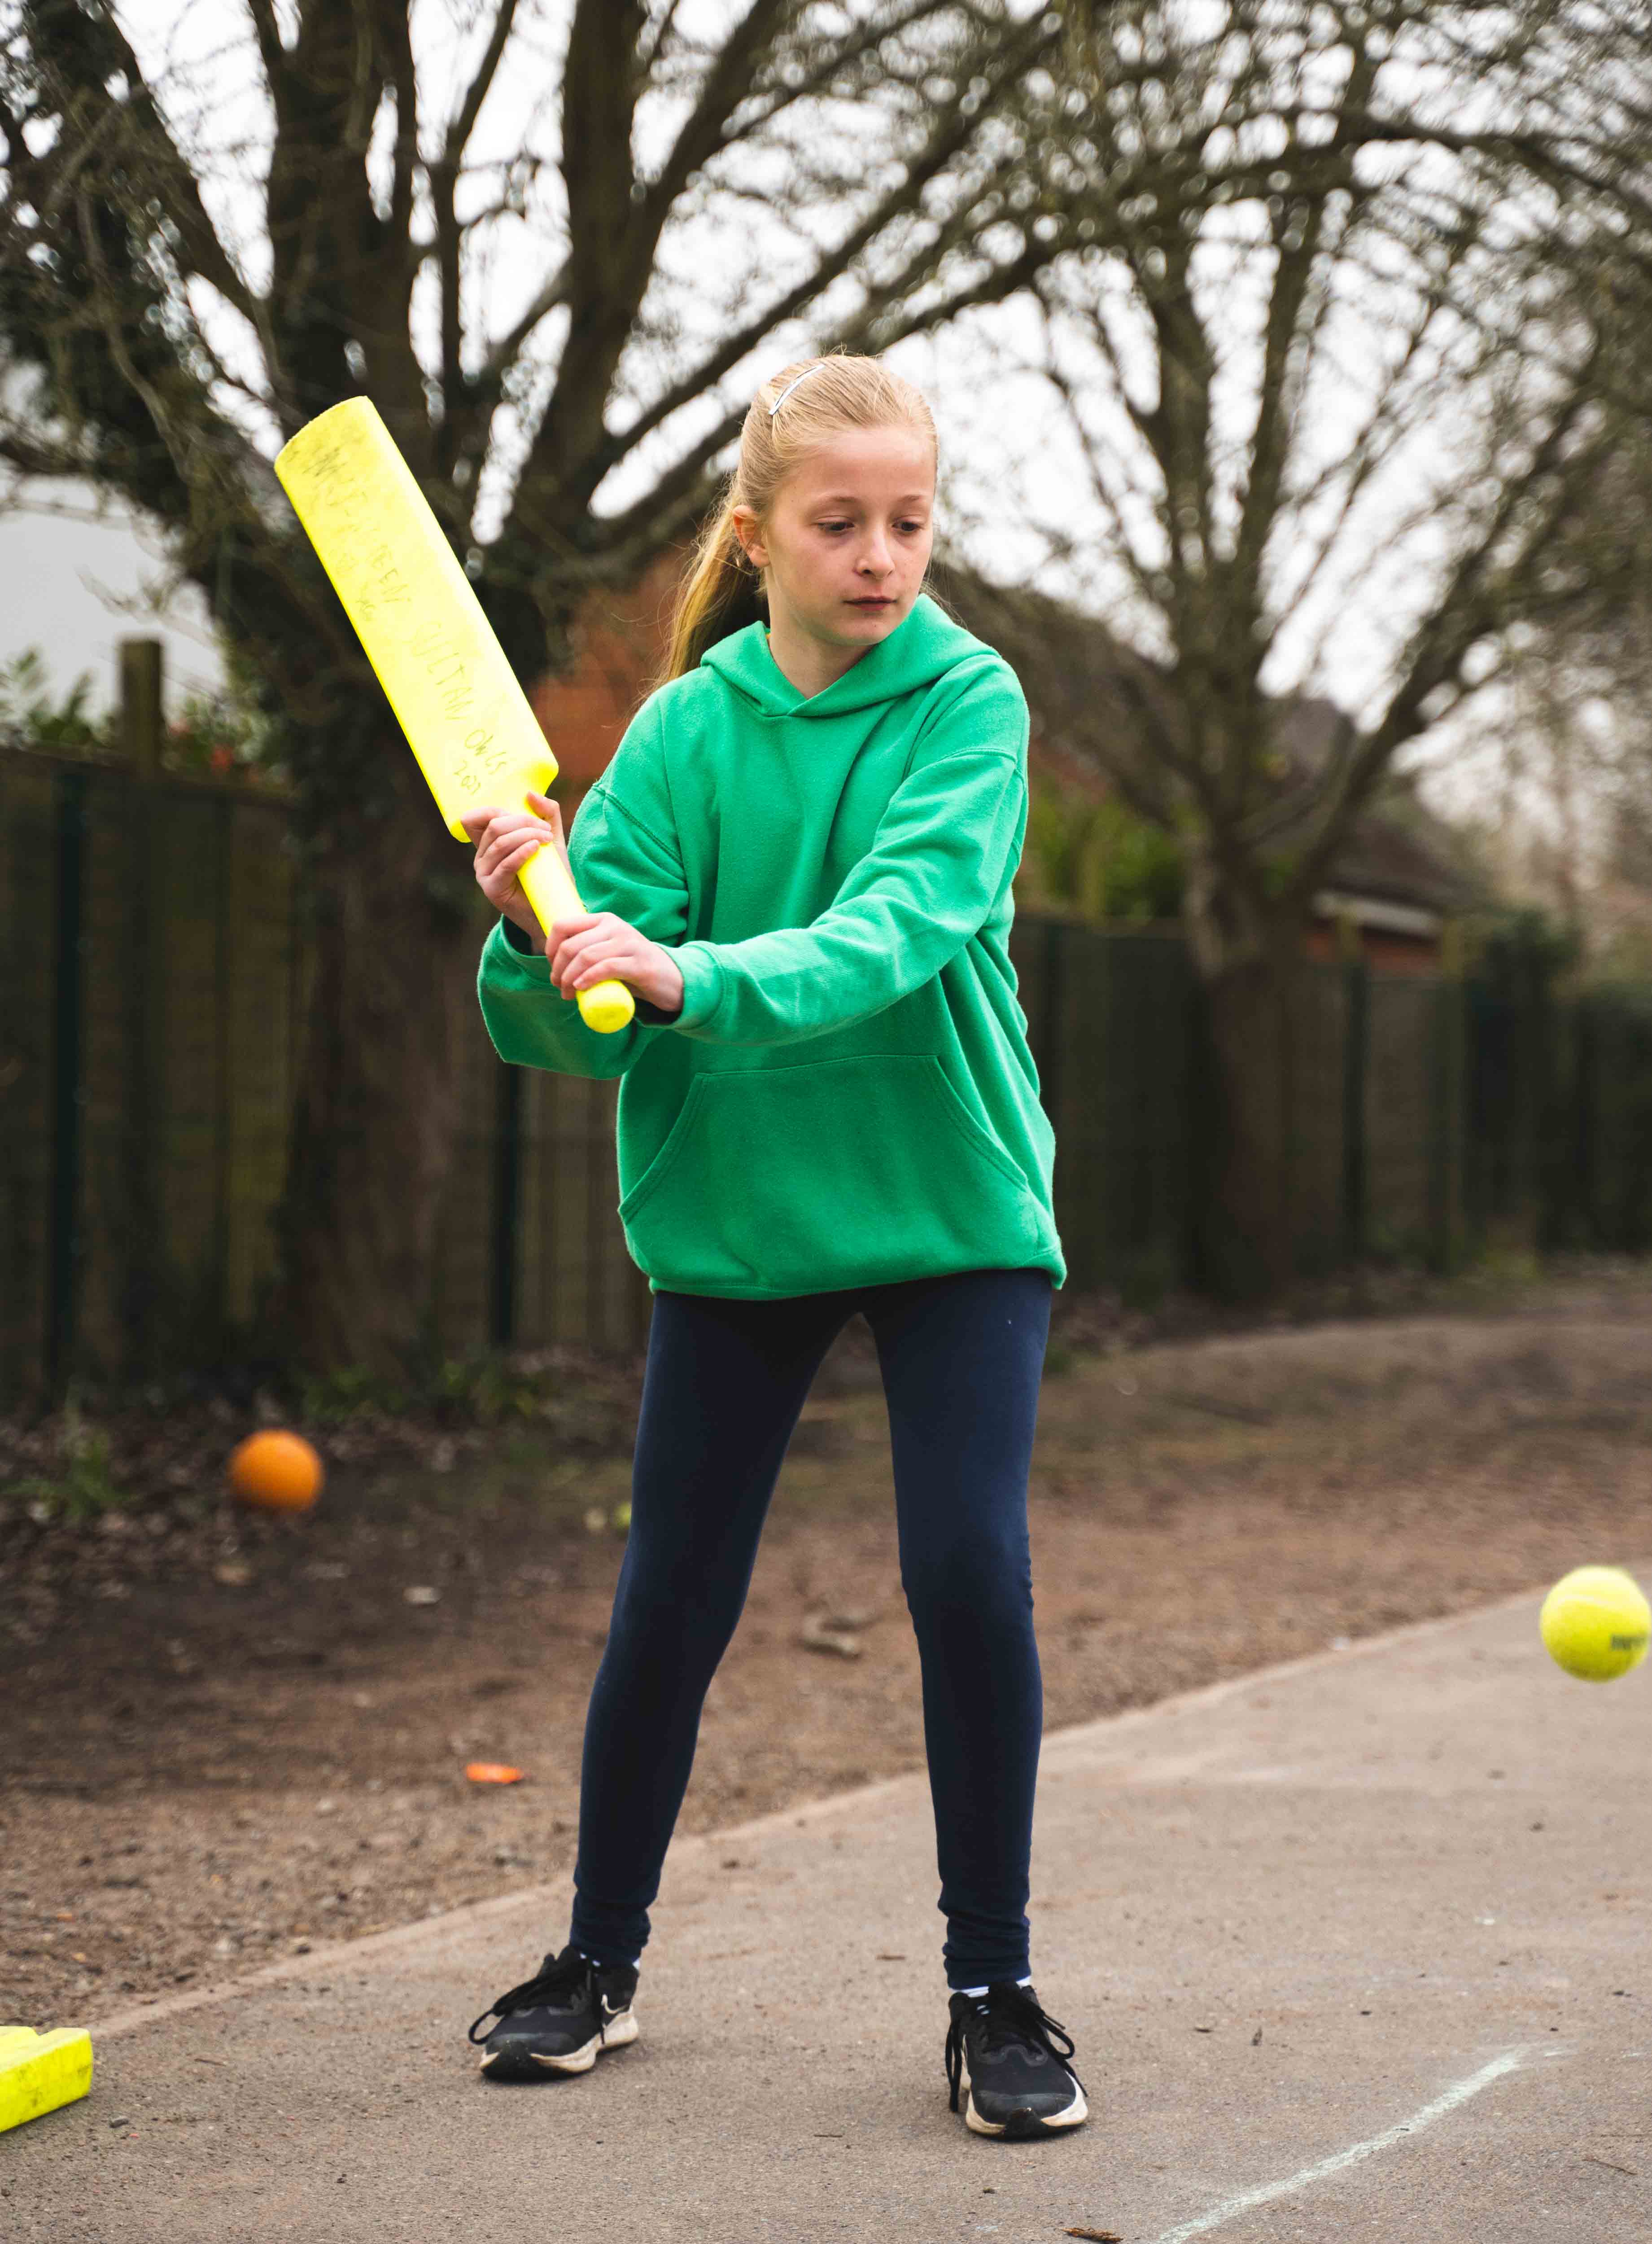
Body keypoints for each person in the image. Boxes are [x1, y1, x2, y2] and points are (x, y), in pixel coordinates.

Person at [460, 353, 1085, 2139]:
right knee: (673, 1590)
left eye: (911, 518)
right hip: (739, 1226)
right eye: (843, 522)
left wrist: (687, 972)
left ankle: (995, 1990)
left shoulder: (969, 702)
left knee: (967, 1566)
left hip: (949, 1210)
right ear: (761, 535)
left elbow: (899, 926)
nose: (884, 553)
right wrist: (540, 925)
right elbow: (572, 1019)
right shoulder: (680, 733)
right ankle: (594, 1961)